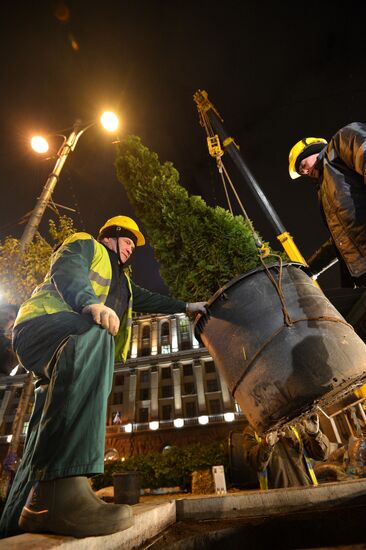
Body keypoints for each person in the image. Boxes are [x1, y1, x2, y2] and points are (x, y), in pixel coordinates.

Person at [0, 215, 207, 539]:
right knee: (97, 336)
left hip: (67, 347)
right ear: (112, 236)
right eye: (127, 242)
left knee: (45, 430)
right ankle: (63, 493)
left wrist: (187, 305)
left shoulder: (123, 283)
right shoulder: (86, 244)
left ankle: (19, 515)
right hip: (43, 325)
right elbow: (66, 270)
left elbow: (152, 299)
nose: (130, 250)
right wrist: (89, 304)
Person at [288, 122, 366, 288]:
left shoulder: (340, 142)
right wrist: (310, 270)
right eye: (301, 172)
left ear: (310, 150)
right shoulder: (324, 192)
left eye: (303, 166)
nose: (305, 172)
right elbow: (340, 240)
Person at [242, 414, 330, 489]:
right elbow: (255, 464)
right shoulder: (252, 431)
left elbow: (322, 455)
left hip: (307, 490)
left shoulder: (295, 424)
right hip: (276, 498)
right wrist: (266, 445)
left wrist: (315, 434)